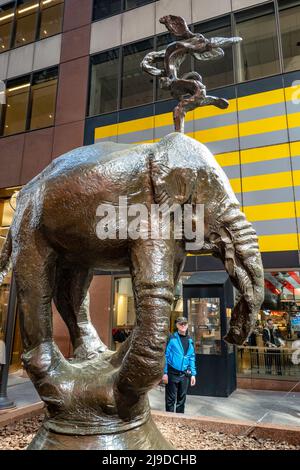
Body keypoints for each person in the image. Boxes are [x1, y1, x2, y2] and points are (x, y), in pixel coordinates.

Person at [162, 316, 196, 413]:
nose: (183, 325)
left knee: (181, 400)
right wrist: (165, 373)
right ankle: (169, 420)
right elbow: (165, 356)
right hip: (172, 373)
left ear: (187, 325)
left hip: (184, 375)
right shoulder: (172, 338)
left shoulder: (190, 340)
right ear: (177, 325)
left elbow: (191, 358)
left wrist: (193, 374)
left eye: (185, 323)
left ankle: (179, 419)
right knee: (170, 400)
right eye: (181, 323)